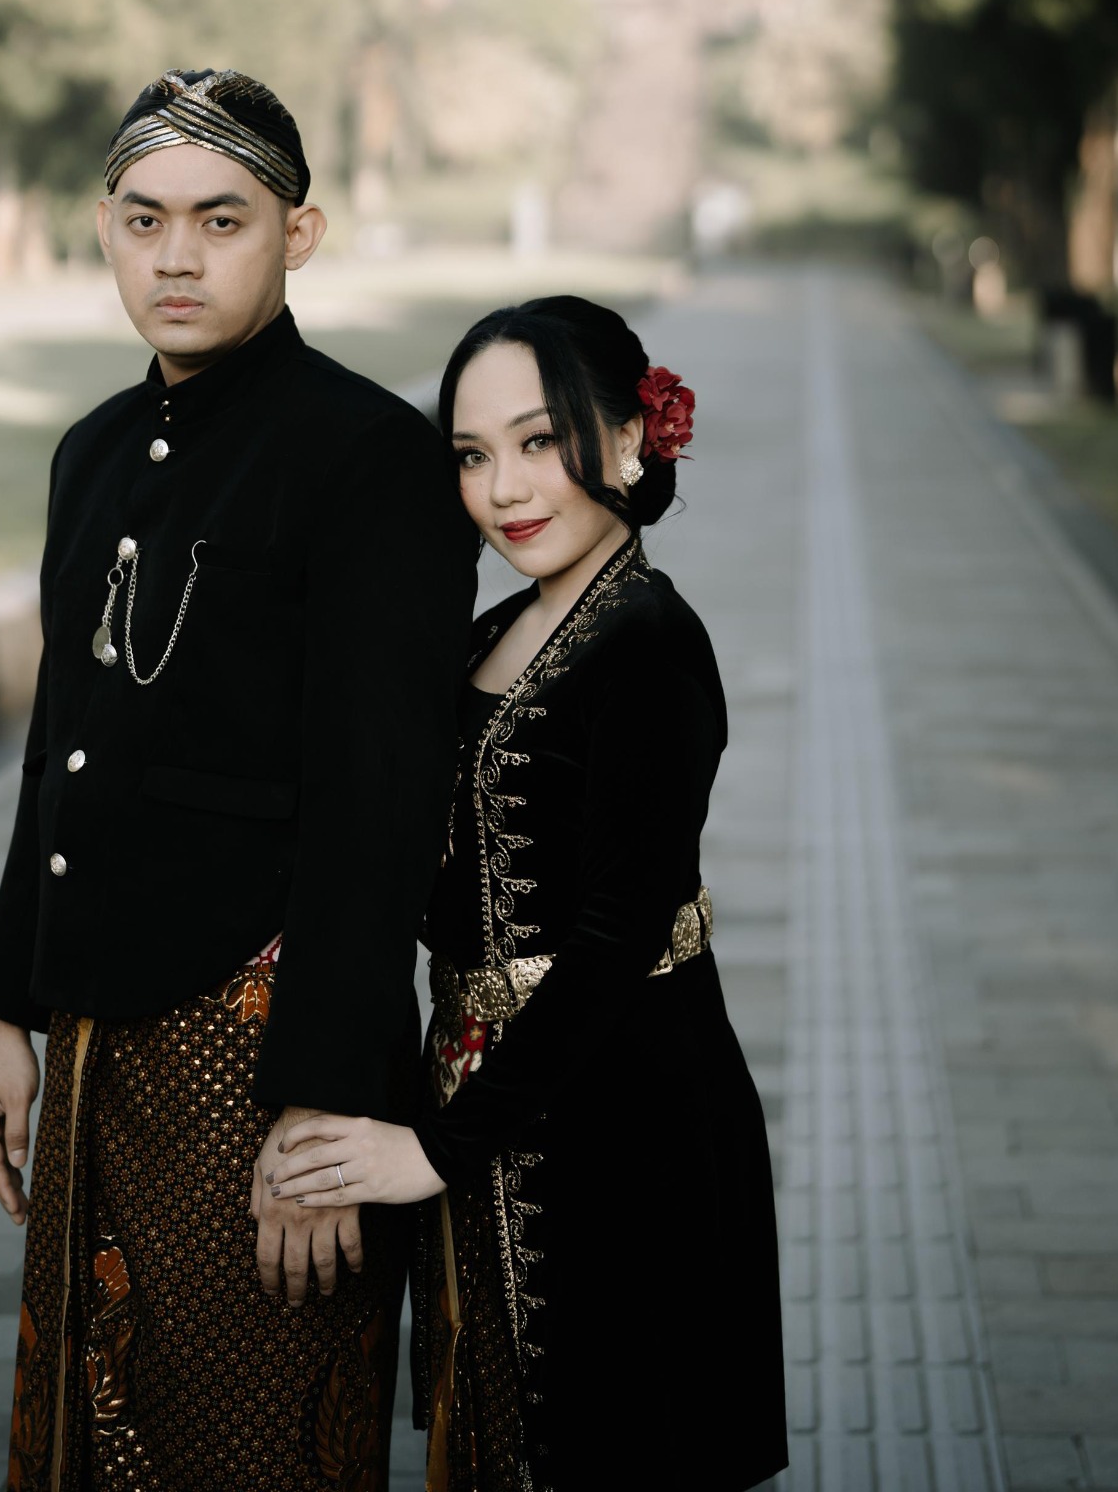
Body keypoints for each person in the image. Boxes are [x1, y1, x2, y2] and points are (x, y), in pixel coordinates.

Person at [0, 68, 475, 1492]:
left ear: (297, 235)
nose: (175, 257)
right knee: (94, 1431)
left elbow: (380, 805)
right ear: (104, 229)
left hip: (261, 1057)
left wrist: (322, 1102)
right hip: (93, 1043)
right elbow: (59, 746)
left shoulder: (369, 458)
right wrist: (7, 1011)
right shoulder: (92, 454)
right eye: (144, 220)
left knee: (252, 1439)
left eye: (220, 219)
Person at [273, 296, 788, 1492]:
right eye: (470, 454)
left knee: (610, 1447)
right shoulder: (502, 623)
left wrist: (435, 1149)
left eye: (538, 440)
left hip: (626, 1125)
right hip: (495, 1108)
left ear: (629, 437)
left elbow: (612, 937)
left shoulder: (647, 643)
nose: (503, 487)